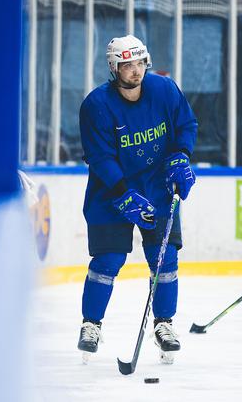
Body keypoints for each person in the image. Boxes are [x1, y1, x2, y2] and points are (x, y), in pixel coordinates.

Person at [77, 35, 198, 363]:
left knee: (165, 259)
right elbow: (99, 157)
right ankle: (91, 324)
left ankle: (164, 324)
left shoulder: (165, 89)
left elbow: (186, 124)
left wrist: (181, 157)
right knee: (108, 260)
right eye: (126, 64)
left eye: (139, 62)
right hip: (110, 192)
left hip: (156, 186)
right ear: (113, 68)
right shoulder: (96, 105)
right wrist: (122, 194)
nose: (135, 71)